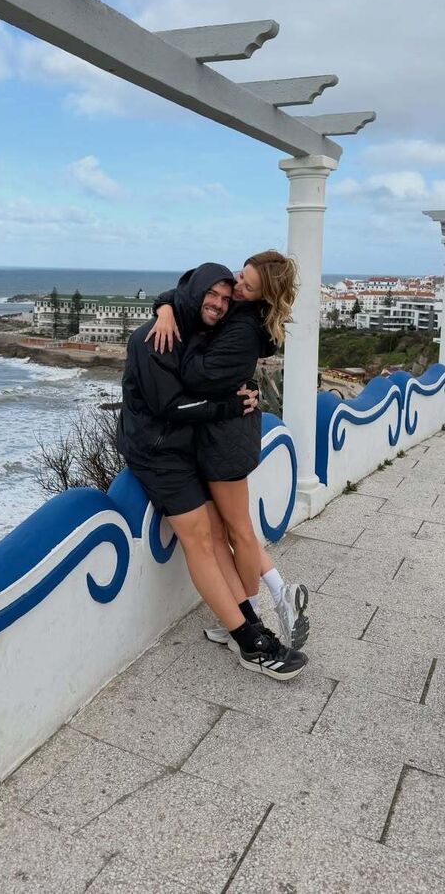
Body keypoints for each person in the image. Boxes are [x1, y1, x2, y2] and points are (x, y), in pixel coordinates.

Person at [118, 261, 307, 681]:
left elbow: (224, 359)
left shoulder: (200, 327)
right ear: (195, 293)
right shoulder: (153, 341)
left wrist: (244, 388)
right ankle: (250, 642)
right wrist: (228, 405)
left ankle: (245, 622)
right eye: (214, 296)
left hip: (187, 445)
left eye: (228, 296)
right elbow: (169, 405)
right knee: (200, 538)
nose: (222, 302)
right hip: (157, 452)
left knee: (222, 533)